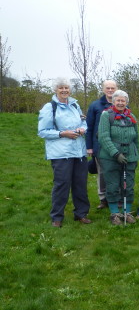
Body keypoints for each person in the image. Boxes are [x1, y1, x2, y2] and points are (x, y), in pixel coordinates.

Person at [37, 78, 91, 227]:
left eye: (66, 87)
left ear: (70, 90)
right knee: (62, 185)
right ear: (56, 90)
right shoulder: (49, 107)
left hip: (79, 152)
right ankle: (57, 217)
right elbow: (42, 131)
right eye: (61, 88)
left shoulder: (75, 105)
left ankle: (81, 214)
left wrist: (82, 129)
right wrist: (62, 133)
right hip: (61, 154)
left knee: (80, 184)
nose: (64, 90)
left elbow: (84, 122)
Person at [97, 90, 139, 225]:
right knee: (113, 185)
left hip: (130, 157)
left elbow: (136, 138)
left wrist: (135, 154)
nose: (121, 103)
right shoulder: (106, 115)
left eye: (123, 100)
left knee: (128, 186)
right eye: (118, 100)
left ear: (127, 102)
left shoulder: (131, 116)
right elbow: (103, 137)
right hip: (110, 158)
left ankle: (127, 212)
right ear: (113, 101)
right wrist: (116, 153)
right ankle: (114, 213)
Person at [86, 79, 118, 210]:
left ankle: (116, 196)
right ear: (103, 89)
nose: (110, 90)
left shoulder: (121, 105)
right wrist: (89, 146)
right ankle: (103, 198)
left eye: (112, 88)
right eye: (108, 88)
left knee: (116, 172)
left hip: (117, 146)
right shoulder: (95, 106)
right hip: (99, 146)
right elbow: (89, 127)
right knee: (102, 173)